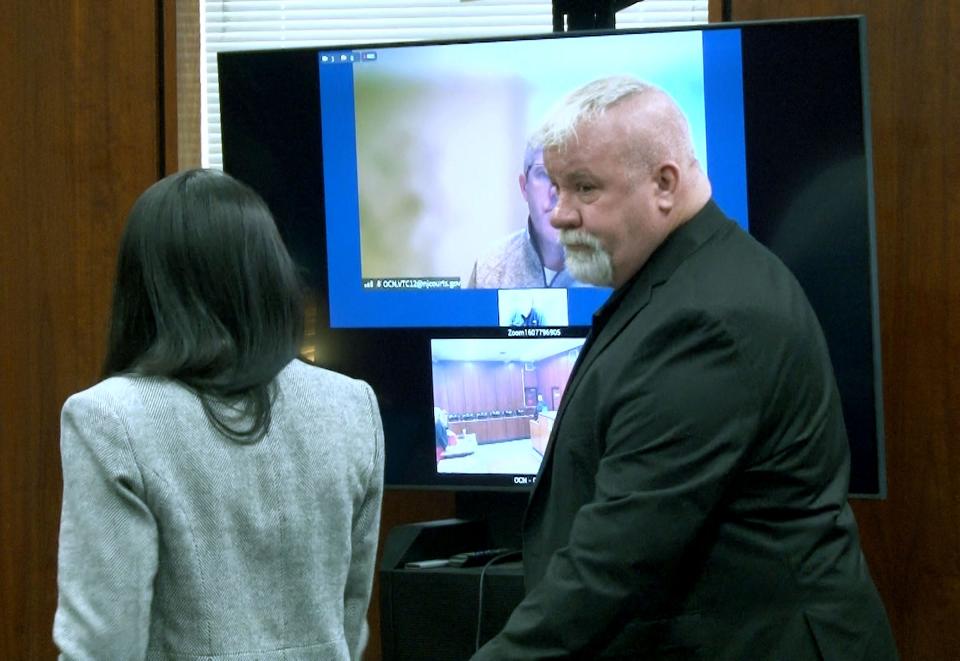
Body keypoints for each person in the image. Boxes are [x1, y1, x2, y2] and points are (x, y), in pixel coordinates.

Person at [472, 77, 897, 659]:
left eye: (584, 189)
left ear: (664, 184)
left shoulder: (707, 320)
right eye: (554, 186)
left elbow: (619, 558)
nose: (558, 213)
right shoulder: (690, 275)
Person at [53, 169, 384, 660]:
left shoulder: (108, 418)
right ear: (269, 275)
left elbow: (101, 645)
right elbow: (350, 621)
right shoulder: (352, 405)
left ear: (145, 286)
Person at [466, 141, 578, 288]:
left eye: (568, 175)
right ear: (524, 187)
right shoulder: (489, 271)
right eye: (543, 174)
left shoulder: (610, 271)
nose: (555, 191)